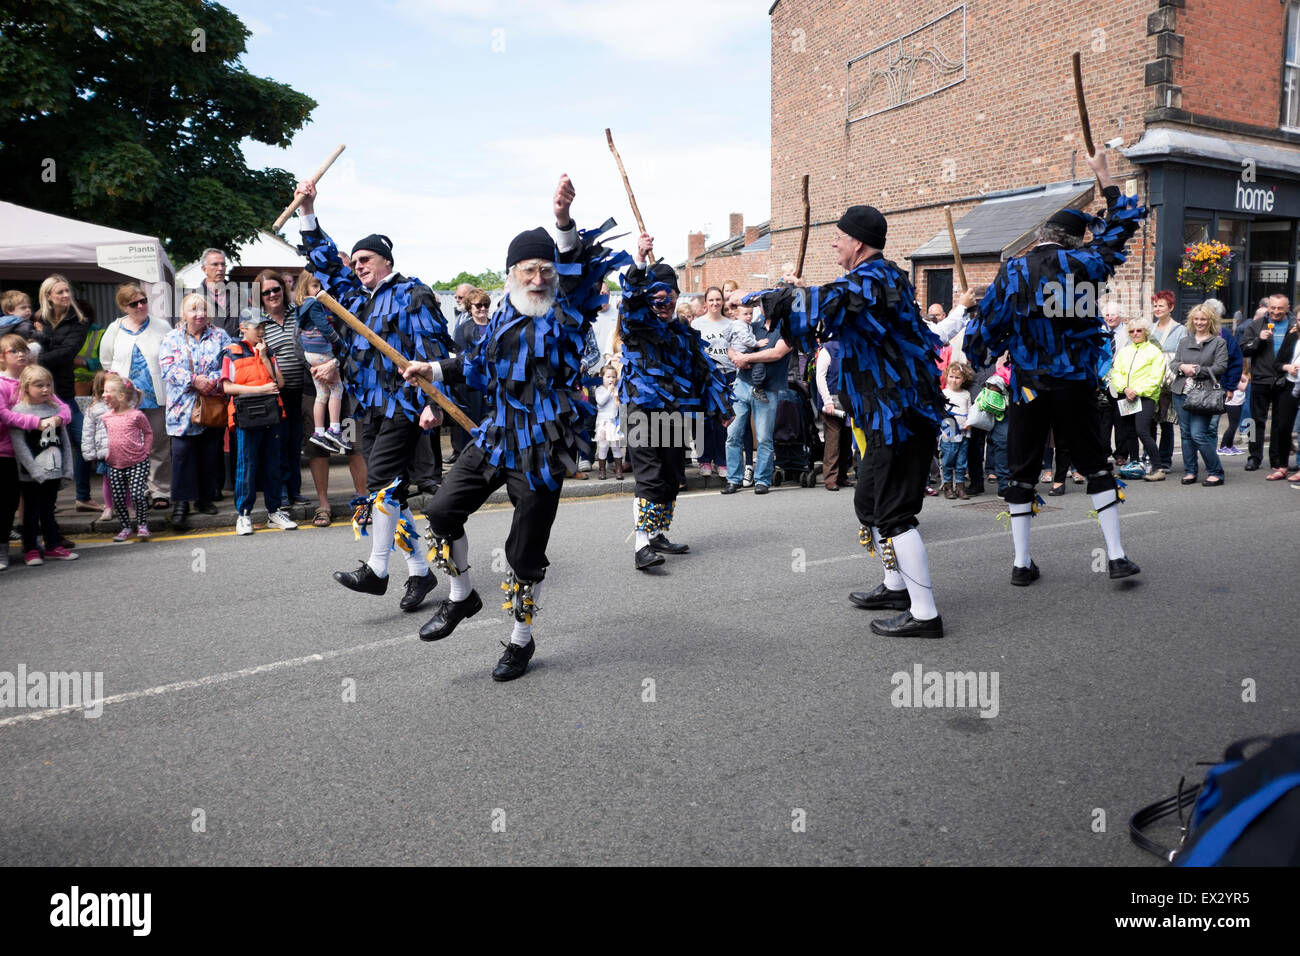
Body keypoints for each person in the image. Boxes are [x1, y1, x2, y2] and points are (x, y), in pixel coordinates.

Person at [403, 174, 630, 680]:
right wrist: (432, 370)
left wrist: (564, 223)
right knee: (440, 512)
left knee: (524, 553)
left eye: (545, 269)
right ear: (510, 274)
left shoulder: (567, 310)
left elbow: (573, 268)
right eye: (528, 269)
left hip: (544, 448)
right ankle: (462, 597)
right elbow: (478, 364)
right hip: (495, 436)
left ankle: (520, 641)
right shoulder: (502, 314)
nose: (537, 279)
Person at [731, 203, 950, 637]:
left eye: (839, 235)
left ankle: (925, 614)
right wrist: (799, 294)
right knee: (868, 502)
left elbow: (833, 298)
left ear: (859, 242)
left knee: (894, 512)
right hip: (883, 417)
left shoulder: (877, 277)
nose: (833, 241)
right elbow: (832, 306)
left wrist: (789, 295)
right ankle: (895, 586)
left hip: (901, 416)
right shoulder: (869, 282)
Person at [964, 148, 1144, 585]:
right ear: (1074, 241)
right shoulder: (1087, 263)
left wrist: (982, 349)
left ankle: (1022, 565)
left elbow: (985, 332)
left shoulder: (1014, 270)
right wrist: (1105, 177)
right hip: (1076, 385)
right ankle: (1116, 556)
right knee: (1096, 464)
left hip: (1028, 386)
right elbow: (1121, 228)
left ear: (1042, 234)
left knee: (1022, 470)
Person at [293, 179, 449, 614]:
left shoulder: (411, 293)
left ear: (387, 261)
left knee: (379, 483)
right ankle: (419, 569)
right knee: (391, 492)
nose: (358, 266)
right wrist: (308, 210)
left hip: (405, 405)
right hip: (371, 406)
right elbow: (324, 265)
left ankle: (378, 570)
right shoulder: (353, 299)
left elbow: (433, 349)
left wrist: (433, 402)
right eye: (355, 260)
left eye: (366, 259)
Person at [616, 235, 729, 569]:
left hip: (676, 414)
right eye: (657, 297)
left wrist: (720, 408)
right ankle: (640, 547)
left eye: (669, 296)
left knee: (670, 477)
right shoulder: (636, 323)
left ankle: (657, 534)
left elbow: (703, 372)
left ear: (678, 297)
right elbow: (632, 299)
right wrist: (638, 261)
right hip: (640, 409)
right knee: (648, 476)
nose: (663, 303)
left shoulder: (684, 332)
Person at [221, 313, 300, 534]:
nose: (262, 331)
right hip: (246, 416)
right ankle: (243, 514)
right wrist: (260, 389)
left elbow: (280, 383)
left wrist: (265, 358)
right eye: (258, 327)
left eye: (263, 327)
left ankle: (274, 512)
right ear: (243, 328)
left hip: (271, 414)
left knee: (273, 464)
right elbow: (227, 388)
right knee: (246, 465)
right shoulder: (231, 352)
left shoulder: (268, 351)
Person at [158, 294, 231, 529]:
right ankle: (181, 503)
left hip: (211, 405)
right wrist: (193, 380)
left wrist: (211, 380)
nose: (199, 314)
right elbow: (167, 368)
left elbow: (230, 363)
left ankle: (204, 498)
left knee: (209, 453)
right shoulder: (171, 338)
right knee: (182, 455)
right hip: (181, 407)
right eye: (193, 309)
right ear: (184, 314)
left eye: (203, 309)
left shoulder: (220, 336)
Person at [99, 282, 173, 509]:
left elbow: (172, 354)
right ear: (124, 307)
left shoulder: (161, 326)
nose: (141, 305)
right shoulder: (115, 329)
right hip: (126, 400)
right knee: (129, 445)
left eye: (143, 301)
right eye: (134, 303)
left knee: (158, 444)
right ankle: (136, 493)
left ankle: (160, 490)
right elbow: (106, 361)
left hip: (156, 395)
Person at [1, 335, 70, 570]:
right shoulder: (3, 384)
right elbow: (5, 415)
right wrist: (35, 423)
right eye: (13, 351)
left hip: (41, 458)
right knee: (10, 504)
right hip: (8, 453)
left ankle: (48, 543)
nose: (20, 354)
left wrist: (58, 418)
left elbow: (64, 411)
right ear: (2, 357)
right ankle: (14, 548)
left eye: (23, 350)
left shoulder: (37, 380)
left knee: (43, 505)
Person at [33, 274, 97, 512]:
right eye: (60, 292)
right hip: (40, 397)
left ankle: (82, 496)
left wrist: (36, 357)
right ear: (48, 296)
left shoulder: (79, 322)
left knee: (83, 442)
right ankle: (49, 502)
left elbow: (66, 354)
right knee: (48, 446)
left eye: (67, 291)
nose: (66, 295)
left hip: (65, 394)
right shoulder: (39, 319)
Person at [8, 365, 78, 564]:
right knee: (31, 512)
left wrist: (67, 470)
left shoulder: (55, 410)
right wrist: (35, 470)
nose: (46, 389)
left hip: (54, 472)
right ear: (26, 387)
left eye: (48, 385)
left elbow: (64, 442)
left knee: (48, 510)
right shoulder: (19, 411)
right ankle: (31, 549)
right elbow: (20, 446)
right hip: (31, 475)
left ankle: (53, 545)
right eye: (39, 385)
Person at [691, 287, 751, 477]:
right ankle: (704, 460)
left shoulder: (731, 324)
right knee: (703, 419)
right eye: (711, 300)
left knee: (724, 420)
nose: (715, 303)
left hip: (727, 376)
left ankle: (722, 461)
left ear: (722, 302)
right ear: (705, 303)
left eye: (718, 299)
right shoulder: (697, 324)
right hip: (706, 377)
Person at [1170, 304, 1229, 486]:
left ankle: (1215, 471)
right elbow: (1173, 363)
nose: (1199, 322)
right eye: (1196, 319)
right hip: (1181, 392)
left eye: (1203, 319)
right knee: (1186, 434)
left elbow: (1221, 367)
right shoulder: (1184, 341)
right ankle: (1190, 471)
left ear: (1210, 320)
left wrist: (1196, 370)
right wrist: (1181, 367)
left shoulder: (1218, 342)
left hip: (1205, 394)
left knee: (1198, 434)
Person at [291, 271, 349, 455]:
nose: (319, 290)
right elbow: (324, 328)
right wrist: (340, 342)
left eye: (321, 286)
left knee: (322, 393)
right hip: (322, 352)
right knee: (337, 389)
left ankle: (319, 432)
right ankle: (334, 428)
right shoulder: (314, 304)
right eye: (315, 286)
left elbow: (298, 334)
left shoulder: (300, 306)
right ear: (305, 287)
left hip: (310, 354)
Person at [1239, 294, 1297, 477]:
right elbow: (1243, 348)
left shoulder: (1294, 326)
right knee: (1255, 421)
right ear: (1268, 307)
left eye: (1280, 308)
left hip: (1285, 379)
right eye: (1273, 308)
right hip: (1261, 378)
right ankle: (1254, 457)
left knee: (1281, 423)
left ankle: (1277, 459)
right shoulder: (1256, 325)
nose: (1276, 312)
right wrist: (1258, 340)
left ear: (1287, 308)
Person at [97, 376, 153, 541]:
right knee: (119, 499)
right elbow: (105, 437)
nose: (104, 395)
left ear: (121, 396)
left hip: (138, 462)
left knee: (136, 494)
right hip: (115, 463)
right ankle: (125, 527)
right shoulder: (106, 417)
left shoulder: (136, 415)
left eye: (108, 391)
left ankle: (142, 525)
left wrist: (146, 451)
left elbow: (148, 432)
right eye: (104, 391)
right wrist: (106, 453)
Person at [1109, 317, 1166, 480]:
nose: (1135, 334)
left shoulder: (1154, 351)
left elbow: (1155, 377)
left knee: (1142, 430)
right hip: (1126, 395)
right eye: (1132, 331)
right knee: (1129, 432)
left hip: (1146, 396)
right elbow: (1116, 373)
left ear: (1145, 332)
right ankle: (1134, 463)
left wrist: (1137, 390)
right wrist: (1124, 389)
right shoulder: (1124, 351)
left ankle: (1158, 467)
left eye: (1139, 330)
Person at [449, 287, 492, 458]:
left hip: (493, 382)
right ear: (469, 308)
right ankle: (471, 458)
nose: (482, 309)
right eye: (478, 305)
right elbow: (461, 357)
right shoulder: (463, 329)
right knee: (471, 423)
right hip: (471, 384)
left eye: (486, 305)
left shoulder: (495, 325)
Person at [1149, 290, 1185, 473]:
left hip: (1168, 383)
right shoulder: (1149, 328)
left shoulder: (1180, 330)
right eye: (1155, 305)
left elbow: (1181, 356)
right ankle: (1150, 456)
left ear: (1170, 307)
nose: (1157, 308)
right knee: (1149, 423)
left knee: (1166, 422)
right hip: (1150, 383)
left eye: (1161, 305)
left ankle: (1165, 460)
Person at [815, 333, 853, 491]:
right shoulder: (827, 349)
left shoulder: (851, 346)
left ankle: (842, 475)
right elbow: (820, 377)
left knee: (846, 438)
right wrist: (827, 401)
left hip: (849, 398)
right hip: (832, 398)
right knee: (833, 439)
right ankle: (830, 477)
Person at [939, 360, 974, 499]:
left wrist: (970, 422)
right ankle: (948, 486)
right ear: (946, 376)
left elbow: (971, 410)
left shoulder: (966, 394)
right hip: (949, 430)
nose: (954, 380)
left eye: (958, 377)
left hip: (964, 431)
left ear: (964, 379)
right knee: (948, 459)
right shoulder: (944, 393)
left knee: (961, 461)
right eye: (951, 376)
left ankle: (960, 487)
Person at [194, 249, 240, 339]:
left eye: (223, 264)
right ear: (204, 269)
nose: (220, 268)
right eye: (215, 264)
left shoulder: (239, 294)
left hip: (235, 350)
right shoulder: (194, 298)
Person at [593, 364, 624, 480]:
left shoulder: (617, 390)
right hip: (603, 424)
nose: (611, 379)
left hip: (614, 423)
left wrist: (619, 405)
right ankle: (602, 470)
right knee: (603, 446)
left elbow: (619, 406)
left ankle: (619, 470)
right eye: (608, 377)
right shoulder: (600, 390)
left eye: (613, 377)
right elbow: (600, 402)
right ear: (602, 377)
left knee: (616, 446)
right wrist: (608, 392)